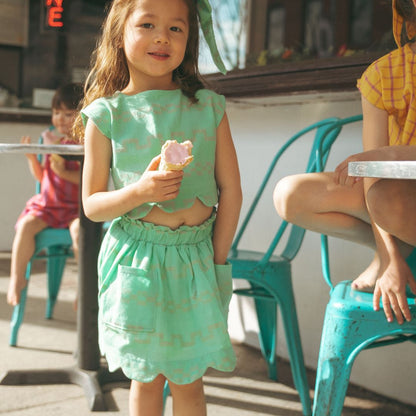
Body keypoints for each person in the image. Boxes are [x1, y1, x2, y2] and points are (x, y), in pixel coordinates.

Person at [74, 0, 242, 414]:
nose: (162, 36)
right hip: (137, 262)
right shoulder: (106, 114)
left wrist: (218, 259)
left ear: (190, 39)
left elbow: (231, 191)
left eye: (176, 28)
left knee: (189, 380)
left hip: (196, 261)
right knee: (146, 378)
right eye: (147, 24)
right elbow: (93, 206)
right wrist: (140, 192)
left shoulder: (208, 107)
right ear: (120, 33)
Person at [274, 0, 416, 326]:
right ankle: (394, 252)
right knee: (289, 193)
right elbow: (372, 177)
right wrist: (390, 259)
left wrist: (385, 157)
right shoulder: (383, 74)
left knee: (387, 192)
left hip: (405, 201)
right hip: (393, 200)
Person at [7, 83, 83, 307]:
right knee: (26, 225)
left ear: (81, 116)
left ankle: (83, 288)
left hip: (74, 208)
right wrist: (32, 159)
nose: (60, 119)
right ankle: (17, 278)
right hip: (48, 205)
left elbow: (87, 182)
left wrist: (63, 173)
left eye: (68, 114)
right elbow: (42, 178)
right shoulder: (49, 138)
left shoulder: (85, 143)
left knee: (81, 231)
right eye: (56, 112)